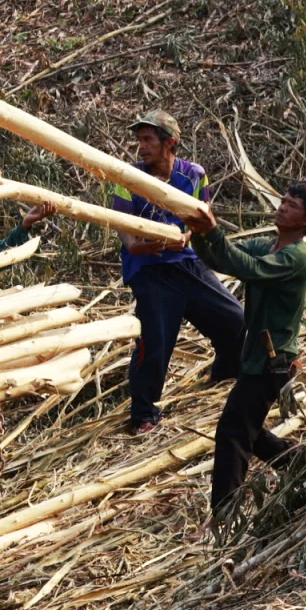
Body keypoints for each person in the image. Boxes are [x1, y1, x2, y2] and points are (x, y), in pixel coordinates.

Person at [185, 180, 306, 517]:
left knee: (232, 433)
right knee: (248, 433)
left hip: (274, 359)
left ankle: (227, 514)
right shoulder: (267, 245)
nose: (282, 207)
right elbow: (224, 259)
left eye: (292, 205)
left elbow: (249, 269)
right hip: (256, 356)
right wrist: (200, 232)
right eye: (282, 201)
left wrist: (213, 232)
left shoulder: (297, 256)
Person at [110, 110, 245, 437]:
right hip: (149, 270)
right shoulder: (129, 178)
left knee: (235, 320)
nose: (141, 147)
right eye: (139, 140)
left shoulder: (194, 175)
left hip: (186, 262)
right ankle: (143, 413)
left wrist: (188, 236)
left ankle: (226, 372)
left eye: (148, 140)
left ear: (170, 143)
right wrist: (136, 246)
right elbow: (121, 226)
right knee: (153, 343)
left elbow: (203, 216)